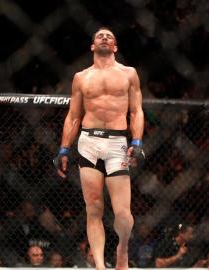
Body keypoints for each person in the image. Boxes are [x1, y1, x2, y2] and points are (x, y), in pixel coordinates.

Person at [53, 26, 145, 270]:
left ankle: (123, 247)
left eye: (110, 36)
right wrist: (64, 149)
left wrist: (136, 141)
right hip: (89, 142)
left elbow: (136, 111)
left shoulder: (129, 74)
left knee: (123, 214)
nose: (105, 37)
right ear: (93, 46)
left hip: (117, 144)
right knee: (93, 208)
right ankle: (100, 267)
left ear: (115, 47)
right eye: (99, 36)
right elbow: (73, 116)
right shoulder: (81, 78)